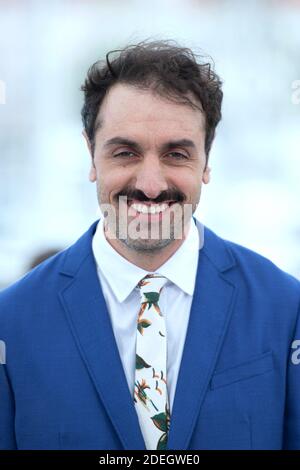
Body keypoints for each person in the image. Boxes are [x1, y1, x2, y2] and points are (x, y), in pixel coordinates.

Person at [0, 39, 299, 451]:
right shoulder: (11, 322)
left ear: (207, 162)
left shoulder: (286, 309)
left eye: (177, 154)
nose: (151, 185)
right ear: (91, 155)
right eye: (125, 152)